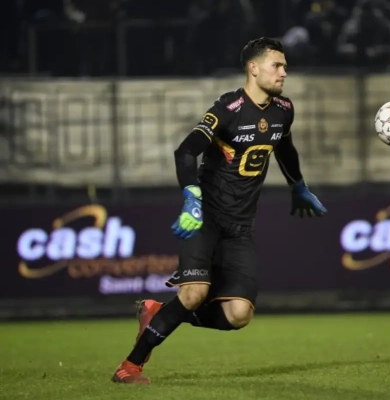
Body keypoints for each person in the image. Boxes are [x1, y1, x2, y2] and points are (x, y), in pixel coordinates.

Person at [111, 37, 327, 384]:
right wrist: (191, 197)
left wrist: (298, 186)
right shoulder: (228, 109)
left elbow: (284, 146)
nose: (284, 72)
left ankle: (157, 312)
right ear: (253, 68)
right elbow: (185, 151)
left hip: (240, 228)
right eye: (277, 65)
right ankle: (130, 366)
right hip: (206, 218)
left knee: (239, 314)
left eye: (285, 66)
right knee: (193, 294)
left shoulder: (284, 110)